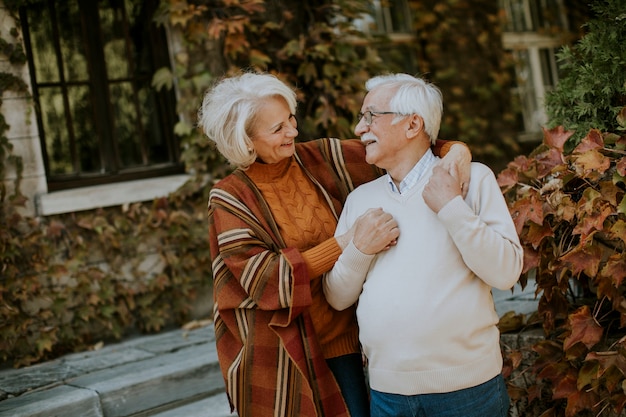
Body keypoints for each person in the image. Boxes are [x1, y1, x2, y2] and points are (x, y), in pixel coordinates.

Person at [198, 71, 471, 417]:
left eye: (291, 119)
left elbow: (407, 145)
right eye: (278, 128)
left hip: (344, 341)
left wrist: (458, 152)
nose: (293, 132)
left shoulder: (321, 158)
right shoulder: (230, 197)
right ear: (246, 140)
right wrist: (347, 242)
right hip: (282, 354)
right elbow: (264, 279)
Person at [323, 73, 524, 417]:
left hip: (467, 392)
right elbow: (337, 297)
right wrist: (360, 250)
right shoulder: (360, 199)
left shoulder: (472, 180)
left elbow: (506, 272)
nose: (359, 128)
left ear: (413, 124)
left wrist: (451, 207)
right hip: (388, 394)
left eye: (371, 116)